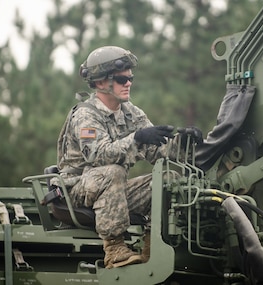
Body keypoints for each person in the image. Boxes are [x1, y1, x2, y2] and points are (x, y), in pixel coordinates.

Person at [54, 46, 202, 269]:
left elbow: (158, 151)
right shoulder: (85, 114)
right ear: (102, 82)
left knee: (167, 178)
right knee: (114, 171)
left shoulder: (131, 112)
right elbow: (99, 155)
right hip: (76, 191)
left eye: (130, 78)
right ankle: (114, 249)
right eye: (122, 79)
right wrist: (137, 138)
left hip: (110, 189)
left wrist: (185, 142)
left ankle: (152, 247)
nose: (129, 83)